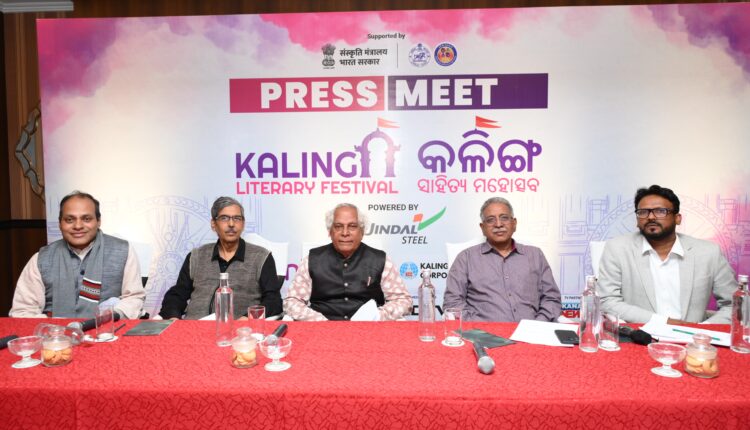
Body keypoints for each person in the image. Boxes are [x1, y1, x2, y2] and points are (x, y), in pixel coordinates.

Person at [597, 185, 735, 324]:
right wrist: (665, 323)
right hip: (641, 334)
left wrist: (703, 330)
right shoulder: (617, 248)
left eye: (660, 211)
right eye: (643, 212)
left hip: (695, 335)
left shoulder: (708, 252)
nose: (651, 217)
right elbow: (607, 301)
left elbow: (734, 305)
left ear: (677, 218)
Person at [10, 191, 145, 319]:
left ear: (98, 221)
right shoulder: (41, 259)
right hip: (55, 333)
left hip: (108, 330)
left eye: (86, 219)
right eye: (69, 220)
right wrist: (53, 327)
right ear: (60, 223)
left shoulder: (123, 250)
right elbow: (23, 310)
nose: (78, 226)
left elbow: (134, 297)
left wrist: (112, 316)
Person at [159, 197, 282, 320]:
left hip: (238, 327)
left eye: (237, 218)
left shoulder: (261, 257)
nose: (231, 224)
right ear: (213, 224)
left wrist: (248, 318)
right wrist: (173, 316)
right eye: (224, 218)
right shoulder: (196, 256)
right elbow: (176, 295)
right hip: (195, 325)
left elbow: (274, 301)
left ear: (243, 224)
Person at [284, 203, 412, 321]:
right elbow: (292, 302)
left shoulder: (380, 260)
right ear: (330, 231)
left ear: (362, 231)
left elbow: (403, 301)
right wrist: (320, 322)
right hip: (321, 330)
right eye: (338, 227)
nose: (345, 233)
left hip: (370, 330)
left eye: (352, 226)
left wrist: (377, 316)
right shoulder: (312, 259)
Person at [444, 197, 561, 322]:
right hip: (483, 333)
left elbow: (552, 298)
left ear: (514, 223)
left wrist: (537, 325)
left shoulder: (535, 255)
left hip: (532, 331)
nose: (498, 224)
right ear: (482, 227)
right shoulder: (466, 258)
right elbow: (453, 303)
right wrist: (483, 328)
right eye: (490, 220)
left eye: (504, 218)